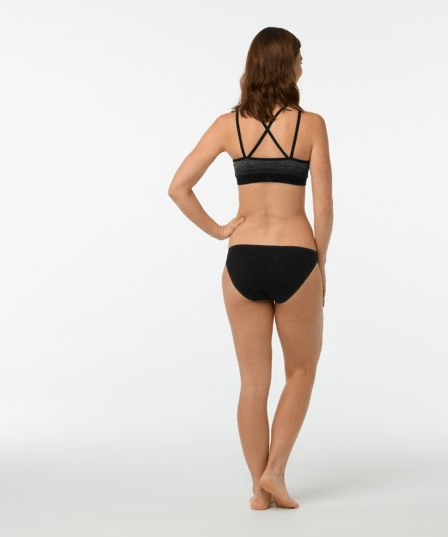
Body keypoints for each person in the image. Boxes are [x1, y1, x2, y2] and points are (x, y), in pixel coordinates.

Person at [168, 27, 333, 510]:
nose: (302, 66)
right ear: (286, 65)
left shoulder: (228, 125)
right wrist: (321, 265)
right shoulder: (311, 125)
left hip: (243, 260)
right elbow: (324, 207)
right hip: (296, 257)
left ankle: (258, 491)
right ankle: (275, 472)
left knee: (253, 383)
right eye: (299, 58)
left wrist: (221, 230)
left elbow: (178, 187)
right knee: (301, 370)